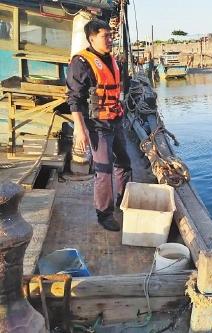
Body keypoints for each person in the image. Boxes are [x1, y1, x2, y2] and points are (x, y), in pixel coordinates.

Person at [67, 19, 131, 232]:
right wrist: (80, 129)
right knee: (103, 171)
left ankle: (124, 202)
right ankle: (104, 214)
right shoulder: (81, 63)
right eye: (106, 36)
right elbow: (74, 99)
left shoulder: (111, 59)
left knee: (124, 163)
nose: (110, 39)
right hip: (96, 126)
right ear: (91, 38)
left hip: (116, 120)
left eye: (111, 35)